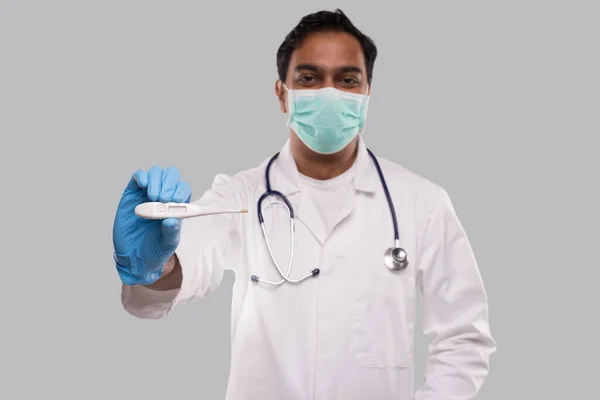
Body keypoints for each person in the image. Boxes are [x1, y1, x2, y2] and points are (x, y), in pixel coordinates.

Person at [112, 8, 496, 400]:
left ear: (367, 94)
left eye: (347, 80)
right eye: (309, 78)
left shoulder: (422, 203)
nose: (329, 93)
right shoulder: (240, 196)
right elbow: (185, 269)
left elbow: (464, 337)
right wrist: (153, 266)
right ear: (283, 94)